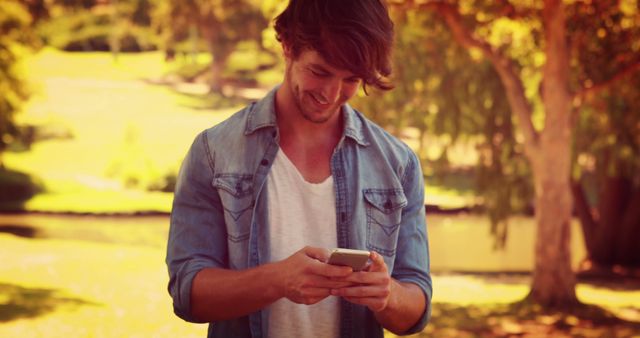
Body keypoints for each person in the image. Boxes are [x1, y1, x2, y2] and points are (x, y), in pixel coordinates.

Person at [166, 0, 432, 337]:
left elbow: (415, 308)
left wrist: (387, 294)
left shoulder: (398, 163)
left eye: (350, 79)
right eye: (320, 71)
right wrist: (277, 280)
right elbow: (188, 295)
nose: (332, 94)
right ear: (288, 45)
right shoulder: (214, 151)